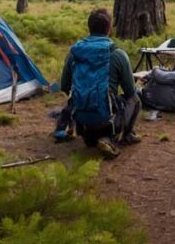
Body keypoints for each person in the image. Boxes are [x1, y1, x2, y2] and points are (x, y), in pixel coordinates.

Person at [58, 8, 141, 158]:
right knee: (135, 100)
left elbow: (64, 86)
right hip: (106, 119)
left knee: (89, 124)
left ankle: (91, 137)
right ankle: (124, 135)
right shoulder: (117, 54)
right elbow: (130, 92)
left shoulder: (74, 53)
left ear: (89, 27)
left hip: (81, 119)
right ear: (109, 28)